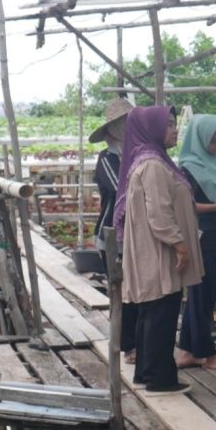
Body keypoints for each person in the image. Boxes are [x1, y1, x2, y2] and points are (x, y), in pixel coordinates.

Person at [118, 106, 203, 395]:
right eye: (168, 125)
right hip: (158, 251)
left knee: (152, 312)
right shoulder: (153, 165)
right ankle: (160, 378)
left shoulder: (151, 160)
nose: (174, 130)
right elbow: (160, 214)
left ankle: (146, 373)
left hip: (153, 250)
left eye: (174, 124)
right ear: (152, 129)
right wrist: (180, 245)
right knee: (160, 314)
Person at [174, 115, 216, 371]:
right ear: (200, 139)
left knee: (205, 295)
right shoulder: (188, 168)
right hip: (205, 236)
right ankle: (208, 354)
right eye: (213, 141)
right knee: (201, 296)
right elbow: (187, 205)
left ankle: (186, 350)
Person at [89, 98, 139, 362]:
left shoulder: (140, 154)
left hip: (139, 233)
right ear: (112, 132)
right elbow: (122, 190)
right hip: (113, 235)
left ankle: (136, 343)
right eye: (123, 125)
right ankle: (127, 345)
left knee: (138, 289)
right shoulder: (108, 158)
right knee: (122, 289)